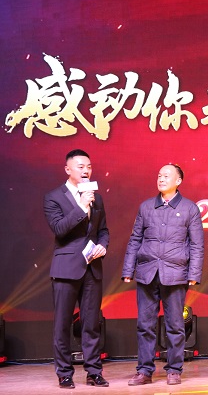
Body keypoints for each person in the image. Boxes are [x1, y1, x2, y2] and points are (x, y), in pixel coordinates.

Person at [122, 164, 204, 386]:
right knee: (145, 325)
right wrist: (128, 269)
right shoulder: (146, 206)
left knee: (175, 325)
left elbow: (197, 245)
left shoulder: (189, 208)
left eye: (166, 176)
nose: (161, 179)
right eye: (159, 175)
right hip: (147, 273)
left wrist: (194, 273)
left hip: (175, 274)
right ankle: (144, 370)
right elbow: (135, 239)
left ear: (178, 181)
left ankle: (174, 369)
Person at [44, 149, 110, 389]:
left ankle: (94, 372)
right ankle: (64, 373)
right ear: (68, 169)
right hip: (66, 268)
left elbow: (103, 230)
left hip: (92, 267)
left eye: (89, 167)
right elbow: (59, 229)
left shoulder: (97, 198)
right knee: (63, 324)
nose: (86, 171)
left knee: (91, 323)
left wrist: (103, 245)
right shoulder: (54, 197)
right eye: (81, 166)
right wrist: (81, 206)